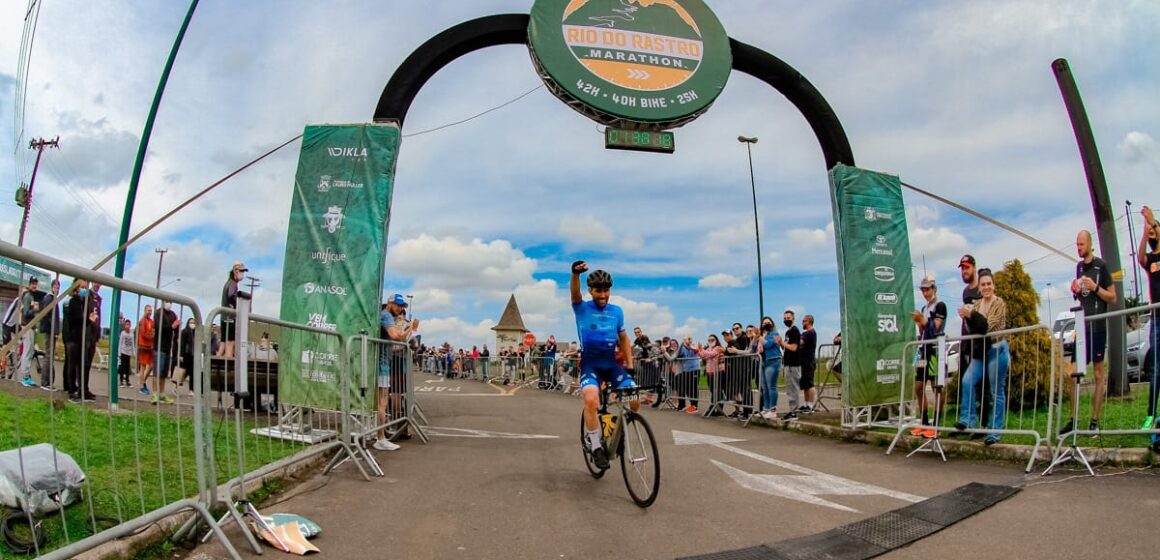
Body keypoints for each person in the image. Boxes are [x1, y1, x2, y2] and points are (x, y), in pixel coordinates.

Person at [570, 261, 636, 470]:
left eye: (606, 290)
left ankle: (618, 434)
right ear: (590, 290)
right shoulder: (581, 308)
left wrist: (630, 365)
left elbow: (624, 339)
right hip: (590, 364)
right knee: (591, 400)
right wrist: (575, 275)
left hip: (611, 364)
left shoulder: (617, 311)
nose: (602, 294)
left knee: (634, 400)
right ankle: (596, 445)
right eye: (598, 290)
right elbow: (574, 293)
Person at [1060, 230, 1117, 435]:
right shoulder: (1079, 267)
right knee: (1074, 374)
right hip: (1082, 327)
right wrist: (1075, 290)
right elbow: (1081, 297)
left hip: (1098, 326)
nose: (1079, 248)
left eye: (1081, 244)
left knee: (1099, 373)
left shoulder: (1101, 266)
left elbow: (1112, 297)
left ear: (1090, 244)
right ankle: (1073, 420)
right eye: (1077, 244)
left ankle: (1094, 419)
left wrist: (1095, 288)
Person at [954, 269, 1008, 445]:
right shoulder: (976, 304)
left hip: (996, 349)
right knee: (967, 380)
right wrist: (967, 317)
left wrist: (971, 315)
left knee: (996, 391)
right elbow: (972, 329)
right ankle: (967, 420)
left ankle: (994, 431)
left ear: (994, 286)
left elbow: (987, 327)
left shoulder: (999, 303)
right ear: (979, 288)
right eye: (983, 284)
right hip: (981, 351)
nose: (986, 287)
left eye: (989, 284)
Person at [375, 294, 419, 450]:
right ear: (390, 303)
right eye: (398, 305)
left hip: (383, 362)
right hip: (381, 364)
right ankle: (380, 438)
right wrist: (410, 329)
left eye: (402, 307)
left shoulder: (385, 315)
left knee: (381, 401)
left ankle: (379, 436)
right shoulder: (386, 316)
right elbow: (396, 336)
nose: (400, 309)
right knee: (382, 402)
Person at [1135, 205, 1160, 452]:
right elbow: (1140, 256)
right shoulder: (1151, 260)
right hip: (1157, 318)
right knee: (1156, 369)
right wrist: (1145, 232)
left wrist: (1154, 222)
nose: (1152, 233)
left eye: (1154, 232)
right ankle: (1151, 416)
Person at [910, 275, 947, 437]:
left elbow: (935, 330)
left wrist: (923, 321)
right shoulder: (924, 308)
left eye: (928, 289)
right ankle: (924, 422)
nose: (925, 292)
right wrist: (919, 324)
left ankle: (937, 425)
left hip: (935, 350)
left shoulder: (940, 306)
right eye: (923, 290)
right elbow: (924, 331)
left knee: (936, 387)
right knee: (918, 387)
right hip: (923, 350)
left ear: (934, 289)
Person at [152, 302, 180, 404]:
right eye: (167, 301)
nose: (169, 304)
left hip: (168, 348)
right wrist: (172, 326)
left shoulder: (172, 314)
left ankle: (162, 394)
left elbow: (175, 328)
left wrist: (177, 326)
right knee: (157, 372)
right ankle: (154, 394)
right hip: (159, 347)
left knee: (163, 373)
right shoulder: (158, 313)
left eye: (171, 302)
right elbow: (159, 327)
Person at [219, 261, 248, 358]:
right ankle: (228, 363)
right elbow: (231, 295)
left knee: (223, 344)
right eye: (241, 271)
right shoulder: (232, 283)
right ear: (235, 271)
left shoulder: (228, 282)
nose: (242, 274)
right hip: (230, 317)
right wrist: (237, 305)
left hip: (224, 317)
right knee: (230, 343)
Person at [18, 276, 43, 387]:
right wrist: (35, 309)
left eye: (35, 283)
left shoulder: (29, 296)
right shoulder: (28, 296)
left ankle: (25, 376)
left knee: (27, 352)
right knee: (27, 352)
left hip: (29, 327)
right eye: (32, 283)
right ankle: (25, 377)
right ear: (29, 284)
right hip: (27, 327)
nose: (34, 285)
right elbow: (26, 313)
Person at [38, 278, 61, 390]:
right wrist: (53, 330)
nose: (57, 289)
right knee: (48, 356)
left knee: (50, 356)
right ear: (52, 287)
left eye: (59, 287)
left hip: (51, 331)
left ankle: (47, 381)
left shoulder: (53, 299)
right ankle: (45, 382)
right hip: (49, 331)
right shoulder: (49, 298)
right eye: (56, 287)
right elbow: (48, 316)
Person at [758, 316, 783, 419]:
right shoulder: (763, 335)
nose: (766, 324)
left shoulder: (775, 334)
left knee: (771, 386)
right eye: (764, 323)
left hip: (773, 361)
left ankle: (773, 409)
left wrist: (758, 337)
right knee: (764, 387)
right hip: (764, 362)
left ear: (772, 324)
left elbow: (767, 345)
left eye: (768, 322)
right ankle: (766, 408)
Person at [780, 310, 803, 419]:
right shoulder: (788, 332)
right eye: (785, 318)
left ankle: (794, 411)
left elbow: (794, 347)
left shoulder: (795, 331)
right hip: (788, 363)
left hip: (794, 364)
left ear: (793, 318)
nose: (786, 320)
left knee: (793, 388)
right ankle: (791, 410)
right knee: (789, 389)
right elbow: (786, 348)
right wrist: (781, 343)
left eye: (788, 318)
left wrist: (783, 343)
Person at [695, 334, 724, 415]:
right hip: (709, 372)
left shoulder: (718, 348)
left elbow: (710, 354)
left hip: (717, 372)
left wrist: (702, 350)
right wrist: (699, 351)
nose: (711, 341)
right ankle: (715, 408)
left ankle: (716, 408)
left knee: (717, 390)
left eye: (712, 339)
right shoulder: (708, 349)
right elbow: (703, 356)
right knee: (712, 390)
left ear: (716, 340)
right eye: (709, 340)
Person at [799, 315, 819, 413]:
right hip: (804, 362)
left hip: (809, 362)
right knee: (805, 384)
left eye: (803, 321)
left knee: (810, 384)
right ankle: (806, 404)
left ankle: (811, 405)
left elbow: (800, 343)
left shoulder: (810, 333)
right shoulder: (806, 333)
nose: (802, 323)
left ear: (808, 321)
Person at [137, 305, 155, 395]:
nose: (150, 312)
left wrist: (152, 335)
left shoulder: (151, 321)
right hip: (143, 346)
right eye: (148, 310)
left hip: (150, 347)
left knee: (151, 366)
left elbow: (153, 331)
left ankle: (142, 381)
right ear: (145, 311)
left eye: (151, 310)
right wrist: (151, 336)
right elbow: (143, 333)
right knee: (143, 367)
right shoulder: (142, 321)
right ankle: (142, 386)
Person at [118, 319, 135, 387]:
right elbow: (120, 343)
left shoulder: (131, 334)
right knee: (122, 367)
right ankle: (121, 381)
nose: (128, 326)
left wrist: (133, 352)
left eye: (129, 325)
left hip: (128, 352)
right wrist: (119, 353)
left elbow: (132, 344)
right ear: (125, 326)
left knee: (128, 367)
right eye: (126, 325)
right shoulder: (123, 333)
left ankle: (127, 381)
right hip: (123, 351)